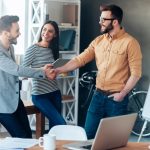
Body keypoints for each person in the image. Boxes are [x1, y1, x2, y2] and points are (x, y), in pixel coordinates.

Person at [52, 4, 142, 139]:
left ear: (115, 22)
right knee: (87, 135)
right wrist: (59, 70)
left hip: (116, 99)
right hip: (98, 95)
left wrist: (122, 94)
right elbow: (79, 60)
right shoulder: (98, 41)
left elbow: (136, 73)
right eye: (100, 19)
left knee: (114, 139)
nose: (100, 22)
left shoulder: (130, 43)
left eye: (104, 19)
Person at [0, 15, 55, 138]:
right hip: (2, 105)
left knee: (28, 136)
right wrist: (42, 71)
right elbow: (17, 70)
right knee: (21, 137)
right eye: (17, 31)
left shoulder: (11, 48)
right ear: (6, 33)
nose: (19, 33)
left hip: (14, 101)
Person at [22, 20, 66, 130]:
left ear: (55, 35)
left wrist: (57, 71)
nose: (46, 33)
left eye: (50, 31)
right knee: (61, 123)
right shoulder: (32, 49)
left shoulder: (54, 50)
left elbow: (53, 70)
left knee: (55, 128)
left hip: (55, 92)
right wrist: (42, 71)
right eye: (44, 29)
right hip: (40, 95)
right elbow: (22, 72)